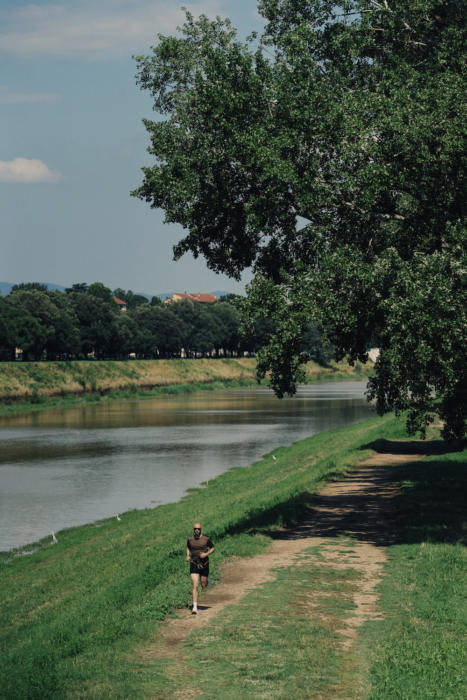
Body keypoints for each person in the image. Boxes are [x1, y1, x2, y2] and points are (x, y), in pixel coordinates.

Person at [186, 522, 215, 614]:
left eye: (198, 529)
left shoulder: (206, 539)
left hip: (204, 564)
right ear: (193, 530)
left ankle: (206, 580)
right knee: (195, 585)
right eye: (195, 529)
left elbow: (213, 547)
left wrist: (206, 554)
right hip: (194, 563)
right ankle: (194, 607)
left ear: (201, 529)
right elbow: (188, 547)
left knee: (203, 584)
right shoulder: (190, 539)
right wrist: (187, 555)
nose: (196, 530)